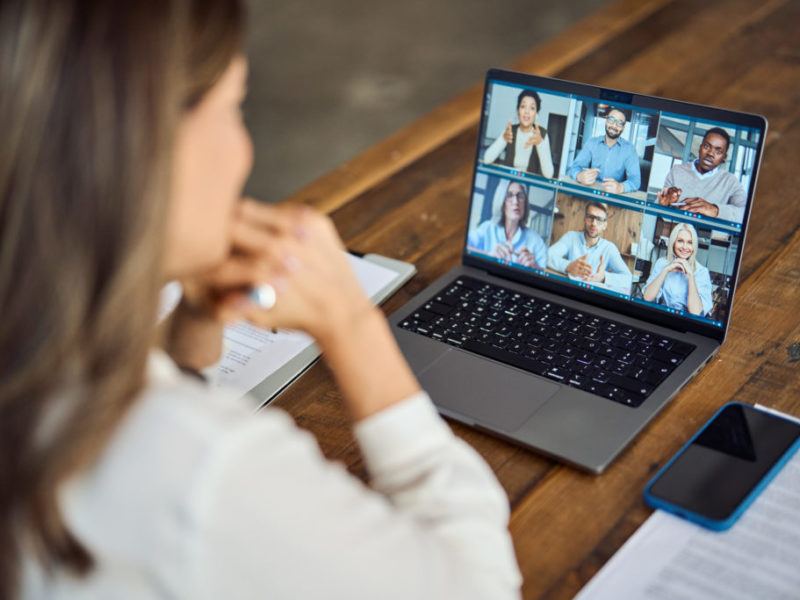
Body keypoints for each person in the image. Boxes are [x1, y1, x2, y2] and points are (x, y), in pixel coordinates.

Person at [0, 2, 523, 599]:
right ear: (144, 148)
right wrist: (351, 322)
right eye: (234, 107)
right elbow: (479, 587)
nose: (245, 150)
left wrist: (187, 340)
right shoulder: (205, 468)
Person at [656, 127, 746, 223]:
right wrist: (663, 204)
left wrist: (715, 210)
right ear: (700, 148)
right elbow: (660, 205)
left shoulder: (731, 182)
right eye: (707, 146)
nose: (711, 153)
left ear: (724, 157)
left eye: (718, 151)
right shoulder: (677, 171)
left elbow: (745, 214)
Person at [547, 201, 632, 291]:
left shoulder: (609, 248)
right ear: (584, 219)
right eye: (590, 217)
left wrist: (603, 277)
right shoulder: (571, 237)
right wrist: (568, 266)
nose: (594, 223)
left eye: (599, 219)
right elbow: (547, 255)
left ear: (604, 225)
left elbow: (628, 279)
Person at [467, 180, 547, 269]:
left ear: (525, 203)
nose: (516, 202)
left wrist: (534, 267)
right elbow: (464, 247)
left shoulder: (536, 240)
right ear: (501, 202)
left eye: (520, 196)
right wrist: (488, 256)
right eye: (509, 195)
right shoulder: (488, 228)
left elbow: (546, 273)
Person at [642, 223, 713, 316]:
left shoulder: (702, 272)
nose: (684, 247)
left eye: (690, 242)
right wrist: (665, 271)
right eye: (680, 241)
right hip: (661, 316)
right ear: (673, 242)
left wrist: (691, 275)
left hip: (687, 323)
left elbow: (696, 312)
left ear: (694, 246)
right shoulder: (662, 263)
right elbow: (647, 298)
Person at [566, 108, 641, 194]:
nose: (614, 125)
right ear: (606, 121)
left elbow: (635, 181)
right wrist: (579, 176)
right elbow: (574, 168)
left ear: (623, 128)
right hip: (591, 190)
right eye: (611, 119)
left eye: (619, 123)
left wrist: (621, 187)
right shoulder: (592, 142)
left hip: (613, 194)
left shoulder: (630, 149)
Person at [483, 89, 555, 178]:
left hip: (528, 184)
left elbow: (549, 174)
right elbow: (486, 159)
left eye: (532, 108)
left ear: (536, 114)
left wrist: (540, 143)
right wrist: (503, 138)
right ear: (518, 111)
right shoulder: (509, 131)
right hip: (507, 179)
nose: (527, 112)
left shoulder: (541, 134)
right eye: (523, 106)